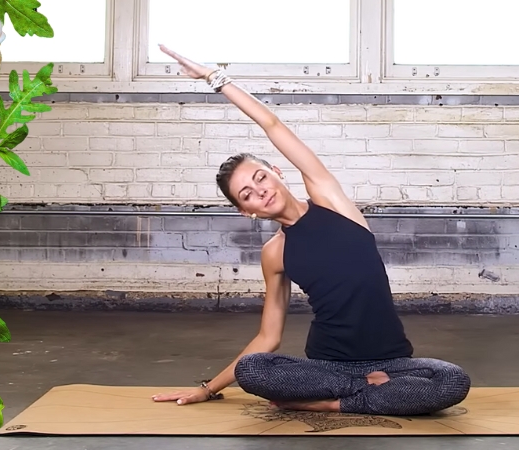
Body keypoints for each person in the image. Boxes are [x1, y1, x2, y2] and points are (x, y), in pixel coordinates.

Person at [150, 44, 472, 416]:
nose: (261, 191)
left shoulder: (329, 199)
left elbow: (272, 124)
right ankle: (361, 396)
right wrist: (208, 389)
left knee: (452, 381)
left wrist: (214, 78)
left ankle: (330, 404)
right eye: (247, 194)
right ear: (246, 211)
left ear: (278, 172)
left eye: (261, 177)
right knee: (252, 369)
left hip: (394, 362)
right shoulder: (274, 253)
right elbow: (267, 338)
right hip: (327, 367)